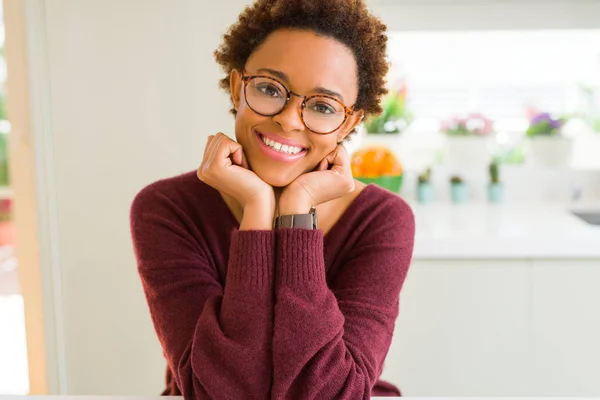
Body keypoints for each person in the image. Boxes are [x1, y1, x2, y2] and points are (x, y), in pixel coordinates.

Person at [130, 0, 415, 398]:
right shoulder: (166, 208)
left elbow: (334, 395)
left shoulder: (381, 218)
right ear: (236, 87)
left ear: (348, 122)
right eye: (268, 88)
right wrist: (259, 210)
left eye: (321, 106)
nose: (289, 119)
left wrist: (296, 212)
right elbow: (219, 392)